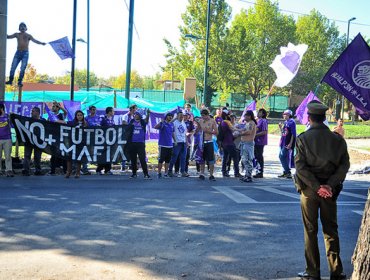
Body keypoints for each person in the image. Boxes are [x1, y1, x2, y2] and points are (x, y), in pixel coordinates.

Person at [295, 102, 350, 280]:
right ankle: (336, 271)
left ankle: (312, 271)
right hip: (330, 192)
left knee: (310, 231)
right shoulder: (337, 140)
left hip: (309, 192)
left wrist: (317, 187)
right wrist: (329, 185)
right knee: (331, 230)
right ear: (324, 118)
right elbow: (344, 165)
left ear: (309, 118)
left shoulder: (303, 138)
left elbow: (300, 168)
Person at [6, 22, 46, 87]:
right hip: (18, 52)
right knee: (13, 66)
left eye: (23, 26)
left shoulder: (28, 36)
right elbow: (8, 37)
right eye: (21, 26)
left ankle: (20, 81)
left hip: (25, 53)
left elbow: (35, 41)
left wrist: (41, 43)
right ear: (19, 28)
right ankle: (10, 80)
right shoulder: (17, 34)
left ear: (26, 28)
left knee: (23, 68)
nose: (22, 28)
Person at [127, 110, 151, 179]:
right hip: (132, 143)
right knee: (133, 159)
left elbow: (146, 121)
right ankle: (134, 173)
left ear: (139, 116)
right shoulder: (132, 121)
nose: (135, 115)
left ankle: (146, 174)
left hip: (140, 143)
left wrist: (148, 114)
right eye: (135, 114)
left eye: (137, 114)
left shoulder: (142, 122)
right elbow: (127, 128)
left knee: (142, 159)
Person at [65, 110, 88, 179]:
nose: (79, 116)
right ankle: (68, 172)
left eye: (81, 115)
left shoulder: (86, 123)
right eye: (78, 115)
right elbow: (64, 122)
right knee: (69, 157)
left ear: (83, 116)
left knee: (79, 158)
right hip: (72, 143)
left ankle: (77, 173)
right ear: (76, 116)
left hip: (81, 143)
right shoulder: (72, 122)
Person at [197, 109, 218, 181]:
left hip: (209, 141)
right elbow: (198, 130)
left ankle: (211, 175)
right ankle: (202, 173)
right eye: (201, 116)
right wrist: (196, 127)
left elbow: (216, 132)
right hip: (202, 142)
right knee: (202, 159)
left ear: (207, 115)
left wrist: (209, 131)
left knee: (211, 159)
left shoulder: (212, 121)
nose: (202, 117)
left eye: (203, 116)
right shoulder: (200, 121)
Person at [22, 107, 44, 176]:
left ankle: (38, 170)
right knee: (27, 155)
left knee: (37, 156)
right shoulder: (28, 120)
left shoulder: (43, 121)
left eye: (33, 111)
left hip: (38, 141)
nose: (31, 112)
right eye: (32, 111)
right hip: (29, 141)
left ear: (37, 112)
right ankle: (26, 170)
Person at [48, 101, 67, 175]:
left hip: (61, 137)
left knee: (63, 154)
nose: (53, 107)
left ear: (58, 108)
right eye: (53, 106)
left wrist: (59, 106)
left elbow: (65, 112)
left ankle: (65, 171)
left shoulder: (61, 115)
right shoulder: (50, 116)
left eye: (55, 106)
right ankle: (52, 171)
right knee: (53, 155)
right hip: (53, 137)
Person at [220, 111, 241, 178]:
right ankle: (236, 173)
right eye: (229, 115)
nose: (230, 116)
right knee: (235, 157)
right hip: (229, 142)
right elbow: (233, 129)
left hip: (224, 142)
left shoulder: (222, 122)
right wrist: (242, 130)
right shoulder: (227, 122)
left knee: (225, 157)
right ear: (226, 116)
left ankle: (224, 171)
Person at [154, 112, 174, 178]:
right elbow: (155, 127)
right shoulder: (163, 123)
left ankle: (166, 173)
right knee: (161, 160)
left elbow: (172, 133)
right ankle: (159, 173)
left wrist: (175, 141)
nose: (170, 117)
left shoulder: (171, 124)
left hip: (170, 145)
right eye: (169, 116)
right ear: (166, 116)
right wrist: (160, 122)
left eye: (171, 116)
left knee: (168, 160)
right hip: (163, 145)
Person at [168, 111, 188, 177]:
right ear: (177, 116)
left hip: (183, 142)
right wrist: (175, 118)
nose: (181, 117)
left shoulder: (184, 123)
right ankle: (170, 171)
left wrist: (186, 142)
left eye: (182, 116)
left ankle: (183, 171)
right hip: (176, 143)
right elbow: (168, 123)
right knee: (174, 157)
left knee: (183, 158)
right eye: (180, 116)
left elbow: (185, 133)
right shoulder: (174, 123)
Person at [96, 107, 115, 175]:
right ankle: (99, 169)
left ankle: (107, 169)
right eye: (113, 111)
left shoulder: (112, 119)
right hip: (103, 140)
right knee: (102, 154)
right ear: (109, 112)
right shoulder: (103, 118)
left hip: (110, 140)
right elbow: (98, 127)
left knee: (109, 154)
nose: (114, 112)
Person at [239, 110, 257, 183]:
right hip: (244, 143)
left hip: (248, 143)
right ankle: (246, 175)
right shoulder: (247, 123)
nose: (244, 117)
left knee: (247, 160)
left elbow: (249, 132)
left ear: (249, 116)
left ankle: (249, 176)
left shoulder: (251, 123)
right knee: (244, 160)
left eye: (245, 115)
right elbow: (243, 129)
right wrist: (236, 129)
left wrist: (240, 134)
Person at [278, 109, 296, 179]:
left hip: (287, 142)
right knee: (283, 157)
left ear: (289, 115)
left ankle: (288, 172)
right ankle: (285, 171)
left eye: (285, 114)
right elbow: (283, 133)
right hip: (283, 141)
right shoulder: (286, 122)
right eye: (283, 114)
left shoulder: (292, 122)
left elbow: (293, 134)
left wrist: (290, 143)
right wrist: (280, 127)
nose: (283, 115)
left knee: (281, 156)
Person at [120, 104, 137, 172]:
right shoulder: (125, 116)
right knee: (124, 150)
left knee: (132, 150)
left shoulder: (134, 116)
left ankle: (131, 165)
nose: (136, 110)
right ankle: (123, 166)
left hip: (133, 136)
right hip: (126, 136)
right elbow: (124, 122)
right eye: (135, 109)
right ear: (132, 109)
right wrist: (131, 125)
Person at [253, 108, 268, 178]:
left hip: (260, 141)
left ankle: (260, 171)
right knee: (256, 156)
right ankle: (257, 170)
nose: (258, 113)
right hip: (256, 141)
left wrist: (256, 135)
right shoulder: (258, 120)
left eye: (260, 112)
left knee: (259, 156)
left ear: (263, 114)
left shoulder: (264, 121)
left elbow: (265, 131)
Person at [0, 103, 13, 177]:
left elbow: (12, 125)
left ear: (2, 109)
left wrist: (8, 118)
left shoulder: (7, 116)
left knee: (8, 156)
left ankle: (8, 170)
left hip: (7, 139)